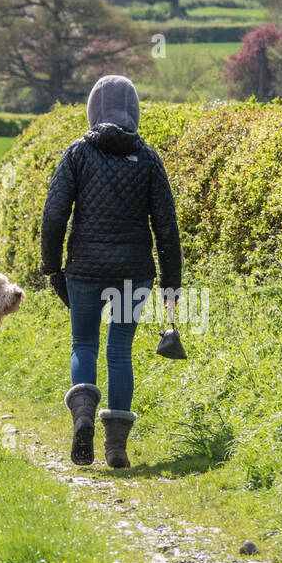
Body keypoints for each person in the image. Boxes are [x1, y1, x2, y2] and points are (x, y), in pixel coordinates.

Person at [40, 74, 181, 469]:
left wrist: (52, 267)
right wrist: (172, 283)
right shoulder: (148, 157)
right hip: (133, 271)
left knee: (83, 344)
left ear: (93, 109)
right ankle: (116, 447)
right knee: (119, 351)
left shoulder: (77, 154)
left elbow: (54, 216)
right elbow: (166, 227)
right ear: (133, 111)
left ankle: (83, 414)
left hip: (83, 268)